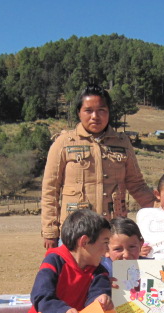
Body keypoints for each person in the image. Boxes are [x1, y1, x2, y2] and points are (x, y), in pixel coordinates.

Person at [41, 84, 156, 249]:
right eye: (88, 110)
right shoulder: (64, 143)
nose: (95, 116)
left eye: (101, 110)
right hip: (75, 233)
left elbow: (136, 184)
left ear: (109, 112)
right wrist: (50, 231)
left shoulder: (122, 143)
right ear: (79, 112)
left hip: (113, 233)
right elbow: (50, 190)